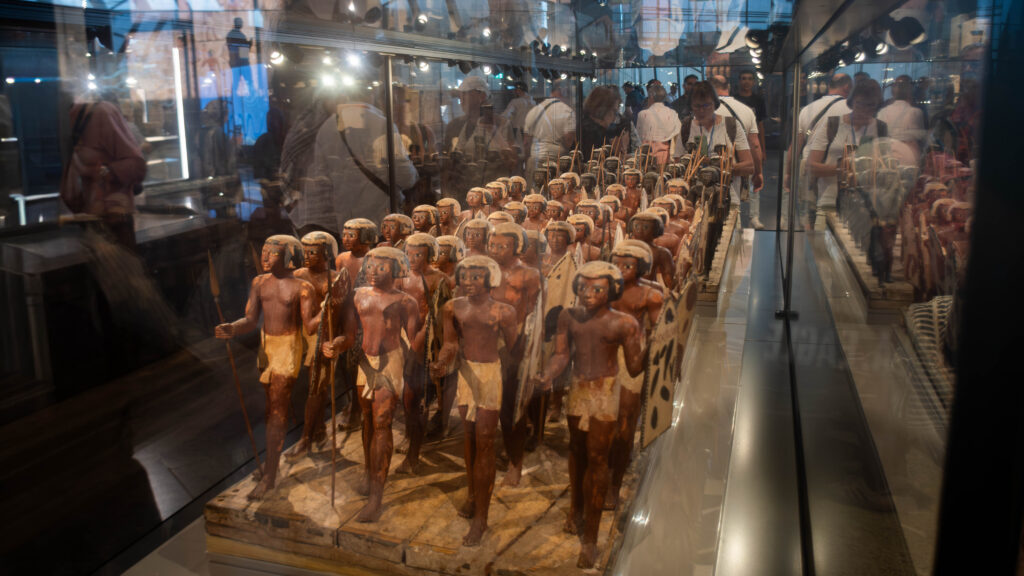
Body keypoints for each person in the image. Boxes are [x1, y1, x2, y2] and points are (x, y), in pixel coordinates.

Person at [533, 261, 644, 568]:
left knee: (597, 458)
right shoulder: (568, 317)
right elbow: (561, 355)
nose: (588, 294)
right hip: (579, 388)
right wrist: (548, 374)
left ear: (612, 290)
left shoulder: (624, 323)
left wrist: (654, 346)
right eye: (583, 288)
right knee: (577, 449)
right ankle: (576, 508)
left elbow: (634, 367)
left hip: (605, 391)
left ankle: (591, 539)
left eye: (597, 289)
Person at [322, 247, 422, 523]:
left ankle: (376, 497)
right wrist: (335, 345)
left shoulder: (406, 302)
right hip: (365, 362)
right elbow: (349, 335)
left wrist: (419, 366)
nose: (374, 272)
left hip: (391, 361)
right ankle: (370, 474)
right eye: (370, 267)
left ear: (396, 269)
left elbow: (414, 341)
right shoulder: (357, 296)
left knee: (381, 422)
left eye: (382, 267)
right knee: (367, 419)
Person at [215, 236, 317, 500]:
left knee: (277, 411)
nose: (265, 257)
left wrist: (329, 309)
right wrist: (232, 328)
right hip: (266, 347)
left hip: (288, 347)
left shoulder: (302, 288)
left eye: (273, 252)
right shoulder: (259, 283)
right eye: (264, 251)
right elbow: (250, 320)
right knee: (271, 409)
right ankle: (271, 463)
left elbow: (309, 326)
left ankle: (270, 475)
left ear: (289, 257)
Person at [430, 255, 518, 546]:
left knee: (485, 442)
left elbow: (514, 349)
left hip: (490, 375)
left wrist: (519, 378)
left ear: (490, 279)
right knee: (468, 438)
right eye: (465, 277)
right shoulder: (453, 307)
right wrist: (442, 361)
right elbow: (451, 343)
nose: (468, 282)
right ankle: (472, 494)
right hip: (466, 374)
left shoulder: (503, 311)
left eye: (476, 277)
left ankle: (482, 517)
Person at [295, 93, 417, 238]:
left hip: (346, 224)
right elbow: (406, 178)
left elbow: (322, 180)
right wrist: (413, 172)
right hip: (382, 220)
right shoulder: (382, 124)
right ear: (372, 95)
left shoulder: (327, 128)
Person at [606, 240, 662, 509]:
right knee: (601, 421)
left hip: (632, 355)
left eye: (627, 265)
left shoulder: (650, 295)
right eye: (616, 263)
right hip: (604, 352)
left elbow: (659, 331)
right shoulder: (603, 287)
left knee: (625, 421)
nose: (620, 268)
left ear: (641, 267)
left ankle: (614, 484)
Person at [486, 223, 542, 486]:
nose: (496, 250)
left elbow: (535, 315)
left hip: (516, 345)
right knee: (488, 407)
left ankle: (515, 463)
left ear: (517, 247)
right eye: (493, 245)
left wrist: (524, 349)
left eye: (503, 246)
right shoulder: (484, 270)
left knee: (512, 409)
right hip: (486, 343)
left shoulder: (529, 275)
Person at [287, 232, 351, 461]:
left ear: (326, 254)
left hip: (324, 337)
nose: (307, 256)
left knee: (317, 387)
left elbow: (342, 316)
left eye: (313, 251)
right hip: (300, 336)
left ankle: (306, 438)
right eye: (305, 251)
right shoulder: (298, 275)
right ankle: (319, 430)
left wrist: (337, 341)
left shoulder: (335, 280)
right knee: (313, 387)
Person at [61, 99, 147, 248]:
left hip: (114, 221)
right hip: (91, 221)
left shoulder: (103, 112)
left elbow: (137, 166)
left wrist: (104, 172)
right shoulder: (72, 115)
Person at [806, 78, 886, 226]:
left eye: (870, 105)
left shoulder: (880, 128)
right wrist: (843, 169)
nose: (864, 110)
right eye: (860, 104)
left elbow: (886, 170)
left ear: (877, 106)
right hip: (830, 203)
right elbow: (810, 166)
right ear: (852, 101)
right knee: (822, 240)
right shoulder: (833, 124)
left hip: (866, 208)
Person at [785, 73, 852, 228]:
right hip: (835, 172)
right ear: (847, 87)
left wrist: (788, 173)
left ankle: (810, 241)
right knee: (837, 223)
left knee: (809, 220)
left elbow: (796, 145)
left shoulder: (807, 109)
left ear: (829, 86)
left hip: (808, 170)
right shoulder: (850, 109)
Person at [443, 75, 517, 203]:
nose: (461, 101)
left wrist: (494, 132)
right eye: (460, 96)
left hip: (493, 195)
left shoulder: (502, 124)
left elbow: (512, 162)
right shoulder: (454, 126)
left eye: (465, 95)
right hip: (464, 193)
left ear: (481, 96)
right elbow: (447, 164)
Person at [711, 75, 765, 229]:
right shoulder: (746, 110)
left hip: (708, 175)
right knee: (733, 212)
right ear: (728, 87)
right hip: (735, 171)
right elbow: (755, 145)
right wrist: (758, 172)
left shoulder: (703, 112)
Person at [523, 80, 576, 175]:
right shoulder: (567, 111)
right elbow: (569, 141)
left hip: (534, 160)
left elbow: (527, 142)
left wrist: (527, 162)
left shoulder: (533, 111)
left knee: (534, 185)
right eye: (569, 95)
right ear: (563, 91)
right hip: (557, 162)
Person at [877, 75, 925, 160]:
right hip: (910, 155)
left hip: (888, 156)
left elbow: (879, 138)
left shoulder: (882, 112)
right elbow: (920, 136)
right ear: (910, 90)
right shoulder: (916, 112)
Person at [636, 84, 682, 167]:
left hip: (646, 159)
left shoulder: (642, 114)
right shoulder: (672, 113)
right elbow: (678, 136)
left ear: (651, 97)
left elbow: (638, 137)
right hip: (665, 157)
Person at [579, 85, 626, 163]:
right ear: (603, 109)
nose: (614, 118)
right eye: (614, 112)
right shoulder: (593, 133)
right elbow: (601, 164)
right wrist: (617, 153)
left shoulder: (586, 126)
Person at [226, 17, 253, 96]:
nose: (242, 24)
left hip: (236, 62)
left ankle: (235, 97)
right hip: (241, 62)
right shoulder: (238, 35)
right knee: (247, 80)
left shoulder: (232, 34)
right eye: (240, 22)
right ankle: (251, 95)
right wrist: (249, 43)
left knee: (237, 81)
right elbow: (243, 51)